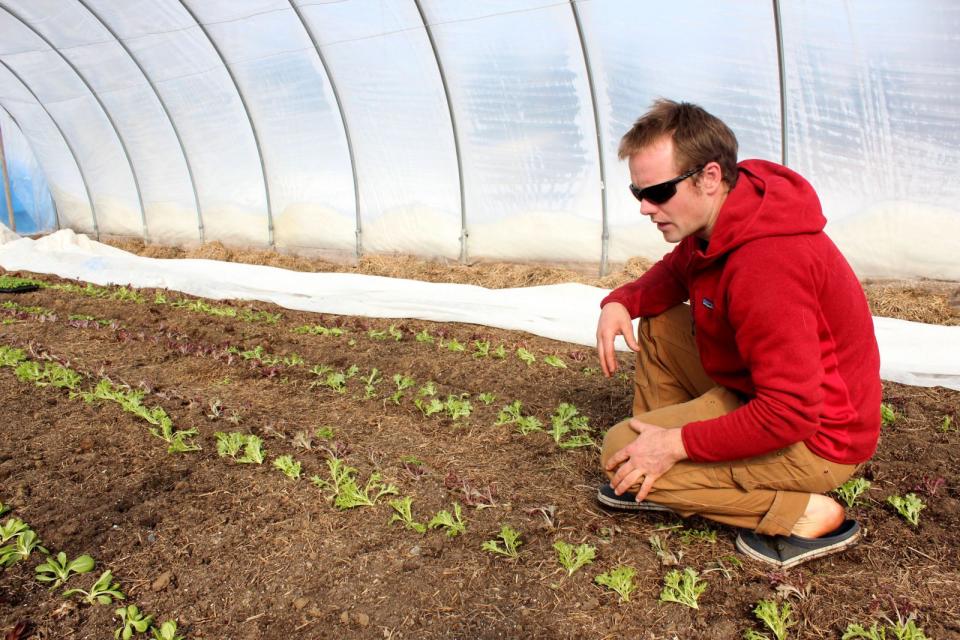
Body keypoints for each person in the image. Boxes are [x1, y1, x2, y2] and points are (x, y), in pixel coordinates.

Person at [595, 99, 881, 569]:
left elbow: (792, 413)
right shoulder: (724, 217)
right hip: (758, 392)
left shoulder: (767, 266)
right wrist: (621, 300)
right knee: (662, 325)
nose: (646, 207)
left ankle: (803, 512)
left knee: (615, 451)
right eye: (637, 192)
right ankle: (653, 471)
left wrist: (676, 444)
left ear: (708, 177)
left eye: (659, 192)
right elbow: (676, 272)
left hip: (820, 439)